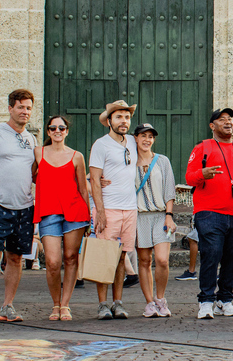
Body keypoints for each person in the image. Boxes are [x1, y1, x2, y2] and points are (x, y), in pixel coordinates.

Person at [186, 108, 233, 319]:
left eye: (230, 119)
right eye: (222, 119)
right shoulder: (203, 147)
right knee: (211, 255)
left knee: (232, 259)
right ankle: (206, 301)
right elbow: (189, 177)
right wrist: (202, 173)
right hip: (209, 213)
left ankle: (225, 300)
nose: (228, 122)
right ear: (213, 126)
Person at [0, 89, 37, 326]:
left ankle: (7, 306)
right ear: (10, 108)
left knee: (16, 257)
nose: (25, 112)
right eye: (21, 107)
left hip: (25, 206)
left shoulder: (31, 139)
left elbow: (35, 174)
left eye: (29, 108)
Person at [32, 115, 89, 321]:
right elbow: (31, 176)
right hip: (48, 212)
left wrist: (90, 217)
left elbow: (83, 188)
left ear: (67, 131)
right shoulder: (38, 152)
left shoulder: (76, 156)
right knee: (52, 261)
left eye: (62, 128)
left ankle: (65, 305)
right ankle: (55, 304)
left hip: (75, 212)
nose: (57, 131)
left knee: (71, 258)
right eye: (53, 128)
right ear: (48, 131)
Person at [89, 100, 139, 320]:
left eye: (127, 117)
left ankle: (118, 302)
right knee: (104, 257)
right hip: (108, 208)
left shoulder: (133, 142)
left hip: (130, 208)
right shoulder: (101, 145)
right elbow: (94, 179)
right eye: (119, 117)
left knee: (121, 257)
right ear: (109, 121)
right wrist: (99, 211)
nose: (124, 121)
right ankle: (102, 304)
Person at [132, 123, 176, 318]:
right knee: (144, 260)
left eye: (150, 136)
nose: (147, 139)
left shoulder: (162, 161)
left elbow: (169, 189)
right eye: (143, 136)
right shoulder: (129, 162)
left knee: (162, 260)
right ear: (135, 138)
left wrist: (169, 215)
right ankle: (149, 302)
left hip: (161, 215)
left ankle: (160, 299)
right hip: (139, 216)